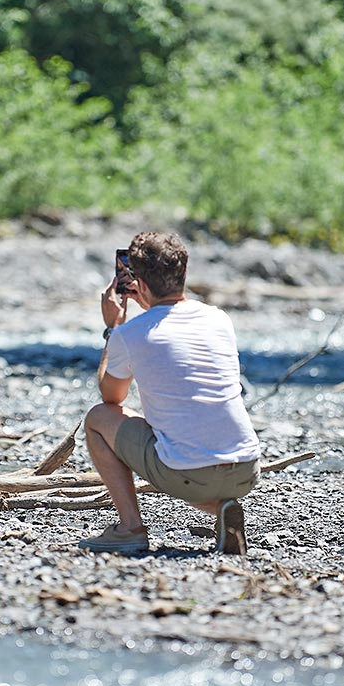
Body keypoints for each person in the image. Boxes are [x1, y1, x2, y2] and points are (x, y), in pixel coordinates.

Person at [78, 231, 261, 554]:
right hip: (246, 469)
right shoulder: (219, 319)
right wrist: (149, 304)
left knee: (96, 418)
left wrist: (113, 328)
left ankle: (130, 528)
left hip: (188, 473)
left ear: (140, 283)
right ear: (184, 273)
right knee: (192, 449)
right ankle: (222, 509)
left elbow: (112, 397)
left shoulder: (131, 333)